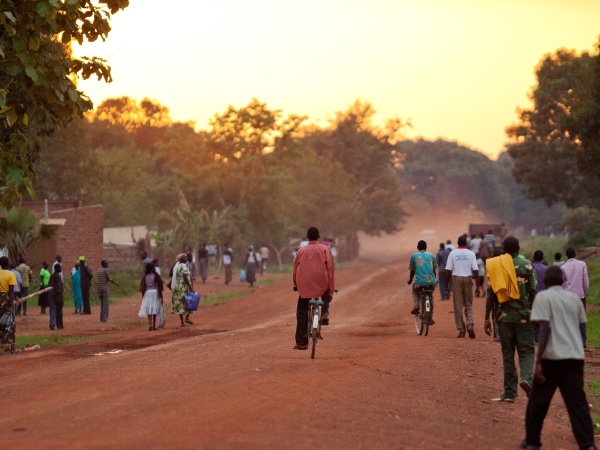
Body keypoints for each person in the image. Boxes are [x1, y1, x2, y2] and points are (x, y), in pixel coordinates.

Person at [521, 266, 596, 450]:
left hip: (552, 357)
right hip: (574, 358)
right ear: (563, 281)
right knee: (577, 402)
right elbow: (579, 326)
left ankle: (532, 441)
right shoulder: (574, 299)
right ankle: (587, 443)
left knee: (538, 401)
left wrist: (539, 361)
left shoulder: (543, 297)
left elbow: (545, 328)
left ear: (544, 281)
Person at [485, 236, 536, 403]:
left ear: (504, 249)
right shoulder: (527, 265)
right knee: (527, 351)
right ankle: (527, 379)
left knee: (508, 354)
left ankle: (509, 393)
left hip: (503, 318)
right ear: (518, 248)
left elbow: (491, 294)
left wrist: (487, 318)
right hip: (524, 317)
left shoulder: (495, 265)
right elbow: (533, 292)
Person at [292, 227, 335, 350]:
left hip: (304, 284)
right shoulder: (325, 249)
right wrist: (330, 290)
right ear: (318, 237)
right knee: (325, 292)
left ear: (307, 237)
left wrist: (296, 284)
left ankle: (301, 342)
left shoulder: (301, 251)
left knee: (302, 311)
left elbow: (295, 270)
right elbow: (330, 270)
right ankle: (325, 312)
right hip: (322, 281)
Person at [445, 235, 479, 338]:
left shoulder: (452, 253)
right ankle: (470, 324)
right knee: (469, 303)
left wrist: (447, 285)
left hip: (457, 279)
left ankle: (461, 330)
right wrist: (477, 286)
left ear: (457, 243)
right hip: (468, 278)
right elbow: (476, 270)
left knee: (458, 305)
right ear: (467, 243)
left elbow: (448, 270)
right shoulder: (471, 253)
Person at [561, 247, 589, 348]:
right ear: (575, 254)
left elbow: (562, 283)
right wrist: (585, 291)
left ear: (566, 255)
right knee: (581, 319)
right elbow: (585, 280)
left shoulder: (563, 267)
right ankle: (582, 341)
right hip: (580, 295)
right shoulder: (582, 264)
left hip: (568, 296)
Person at [407, 240, 437, 325]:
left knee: (415, 291)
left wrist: (410, 280)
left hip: (419, 282)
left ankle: (417, 305)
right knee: (430, 296)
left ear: (417, 248)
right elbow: (434, 270)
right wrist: (434, 279)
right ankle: (430, 317)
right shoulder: (431, 255)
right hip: (431, 282)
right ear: (426, 247)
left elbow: (412, 270)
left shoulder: (414, 256)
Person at [0, 256, 19, 354]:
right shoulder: (11, 274)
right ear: (7, 264)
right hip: (6, 299)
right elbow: (11, 292)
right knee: (10, 323)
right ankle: (12, 348)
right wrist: (12, 306)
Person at [139, 262, 164, 331]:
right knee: (155, 309)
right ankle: (154, 326)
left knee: (149, 309)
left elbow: (142, 286)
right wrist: (161, 296)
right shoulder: (155, 275)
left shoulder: (144, 276)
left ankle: (150, 325)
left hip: (147, 293)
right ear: (153, 268)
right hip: (155, 293)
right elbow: (159, 284)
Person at [172, 253, 194, 327]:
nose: (186, 258)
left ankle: (182, 322)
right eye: (184, 258)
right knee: (188, 301)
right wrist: (190, 287)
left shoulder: (177, 266)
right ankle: (187, 317)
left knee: (180, 303)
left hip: (178, 286)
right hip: (183, 286)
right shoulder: (184, 266)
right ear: (181, 259)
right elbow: (185, 277)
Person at [49, 265, 64, 330]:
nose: (61, 269)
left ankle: (52, 323)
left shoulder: (51, 275)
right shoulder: (58, 276)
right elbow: (58, 287)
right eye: (60, 268)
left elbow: (49, 284)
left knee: (52, 309)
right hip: (57, 295)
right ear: (57, 269)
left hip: (51, 294)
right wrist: (59, 296)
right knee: (58, 311)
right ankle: (59, 325)